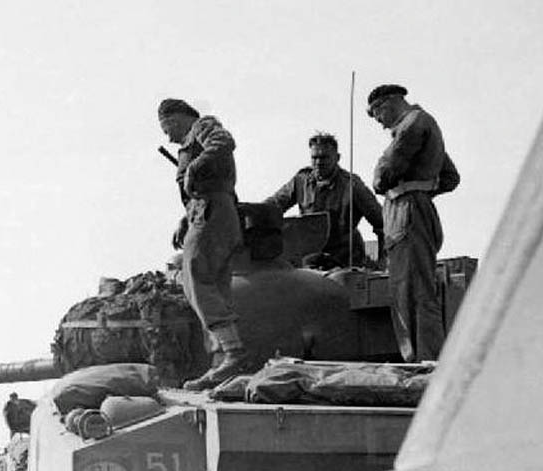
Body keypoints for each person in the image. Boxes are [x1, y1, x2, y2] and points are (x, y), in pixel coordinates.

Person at [158, 98, 247, 390]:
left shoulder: (203, 125)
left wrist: (195, 166)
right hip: (210, 211)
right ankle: (222, 361)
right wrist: (185, 218)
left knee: (193, 275)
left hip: (212, 212)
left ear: (178, 117)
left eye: (166, 125)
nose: (166, 135)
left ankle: (232, 352)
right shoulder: (191, 137)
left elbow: (223, 142)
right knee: (216, 283)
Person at [367, 84, 460, 361]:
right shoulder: (425, 124)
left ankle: (422, 361)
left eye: (377, 114)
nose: (381, 124)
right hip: (418, 209)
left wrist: (409, 190)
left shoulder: (411, 125)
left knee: (409, 292)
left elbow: (383, 177)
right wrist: (424, 188)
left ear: (389, 102)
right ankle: (425, 358)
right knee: (417, 288)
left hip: (405, 212)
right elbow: (450, 177)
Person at [266, 133, 383, 269]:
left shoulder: (352, 185)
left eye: (324, 157)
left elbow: (382, 223)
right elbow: (274, 205)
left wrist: (383, 262)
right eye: (314, 157)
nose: (318, 162)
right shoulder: (301, 181)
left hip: (345, 262)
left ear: (337, 158)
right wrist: (249, 212)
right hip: (311, 260)